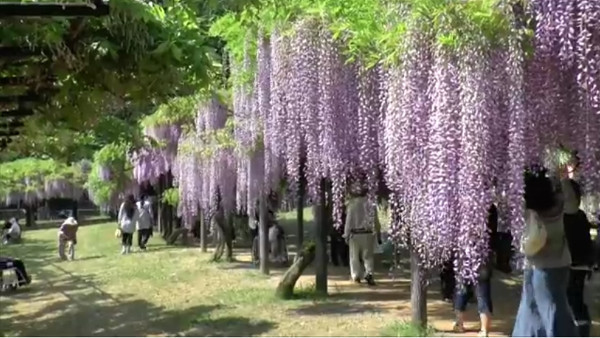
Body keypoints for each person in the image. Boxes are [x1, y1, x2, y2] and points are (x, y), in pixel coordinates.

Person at [512, 166, 578, 337]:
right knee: (551, 307)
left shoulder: (528, 208)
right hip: (558, 264)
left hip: (534, 264)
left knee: (532, 309)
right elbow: (573, 205)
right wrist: (564, 178)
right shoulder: (559, 203)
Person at [453, 205, 498, 337]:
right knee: (482, 292)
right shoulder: (490, 208)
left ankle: (460, 324)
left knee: (463, 290)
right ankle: (484, 329)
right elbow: (493, 233)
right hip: (483, 254)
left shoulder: (464, 204)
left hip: (466, 254)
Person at [563, 179, 594, 337]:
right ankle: (580, 330)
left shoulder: (576, 216)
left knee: (574, 299)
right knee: (572, 300)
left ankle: (582, 330)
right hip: (573, 265)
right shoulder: (576, 215)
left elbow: (585, 243)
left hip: (575, 266)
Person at [343, 183, 382, 286]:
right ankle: (369, 274)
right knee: (368, 256)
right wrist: (378, 232)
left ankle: (356, 276)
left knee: (354, 256)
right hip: (368, 234)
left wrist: (346, 234)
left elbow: (349, 221)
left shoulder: (352, 205)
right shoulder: (371, 205)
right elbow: (375, 220)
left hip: (355, 234)